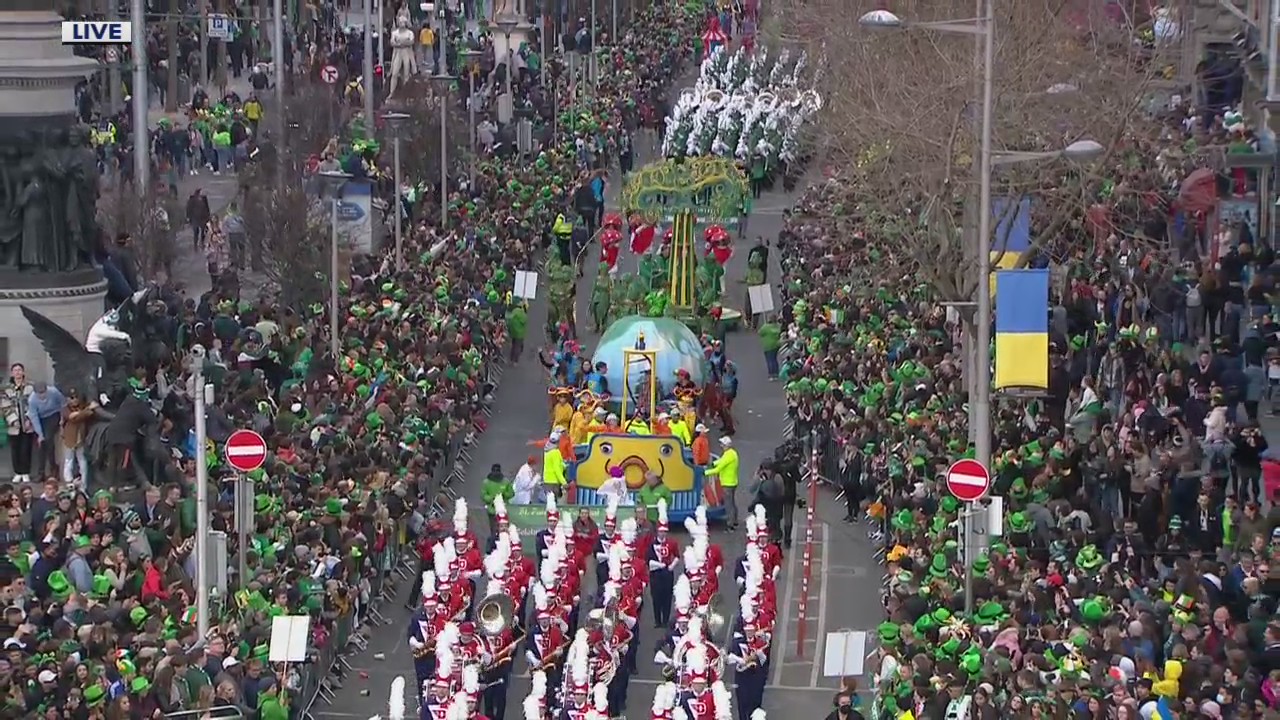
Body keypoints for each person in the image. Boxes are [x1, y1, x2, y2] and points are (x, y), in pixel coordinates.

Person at [706, 436, 740, 530]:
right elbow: (722, 461)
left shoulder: (728, 455)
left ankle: (730, 524)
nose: (721, 446)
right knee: (732, 502)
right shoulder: (732, 453)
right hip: (733, 481)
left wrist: (705, 472)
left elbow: (718, 469)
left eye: (722, 444)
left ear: (726, 445)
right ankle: (735, 520)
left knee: (728, 504)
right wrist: (714, 463)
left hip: (727, 483)